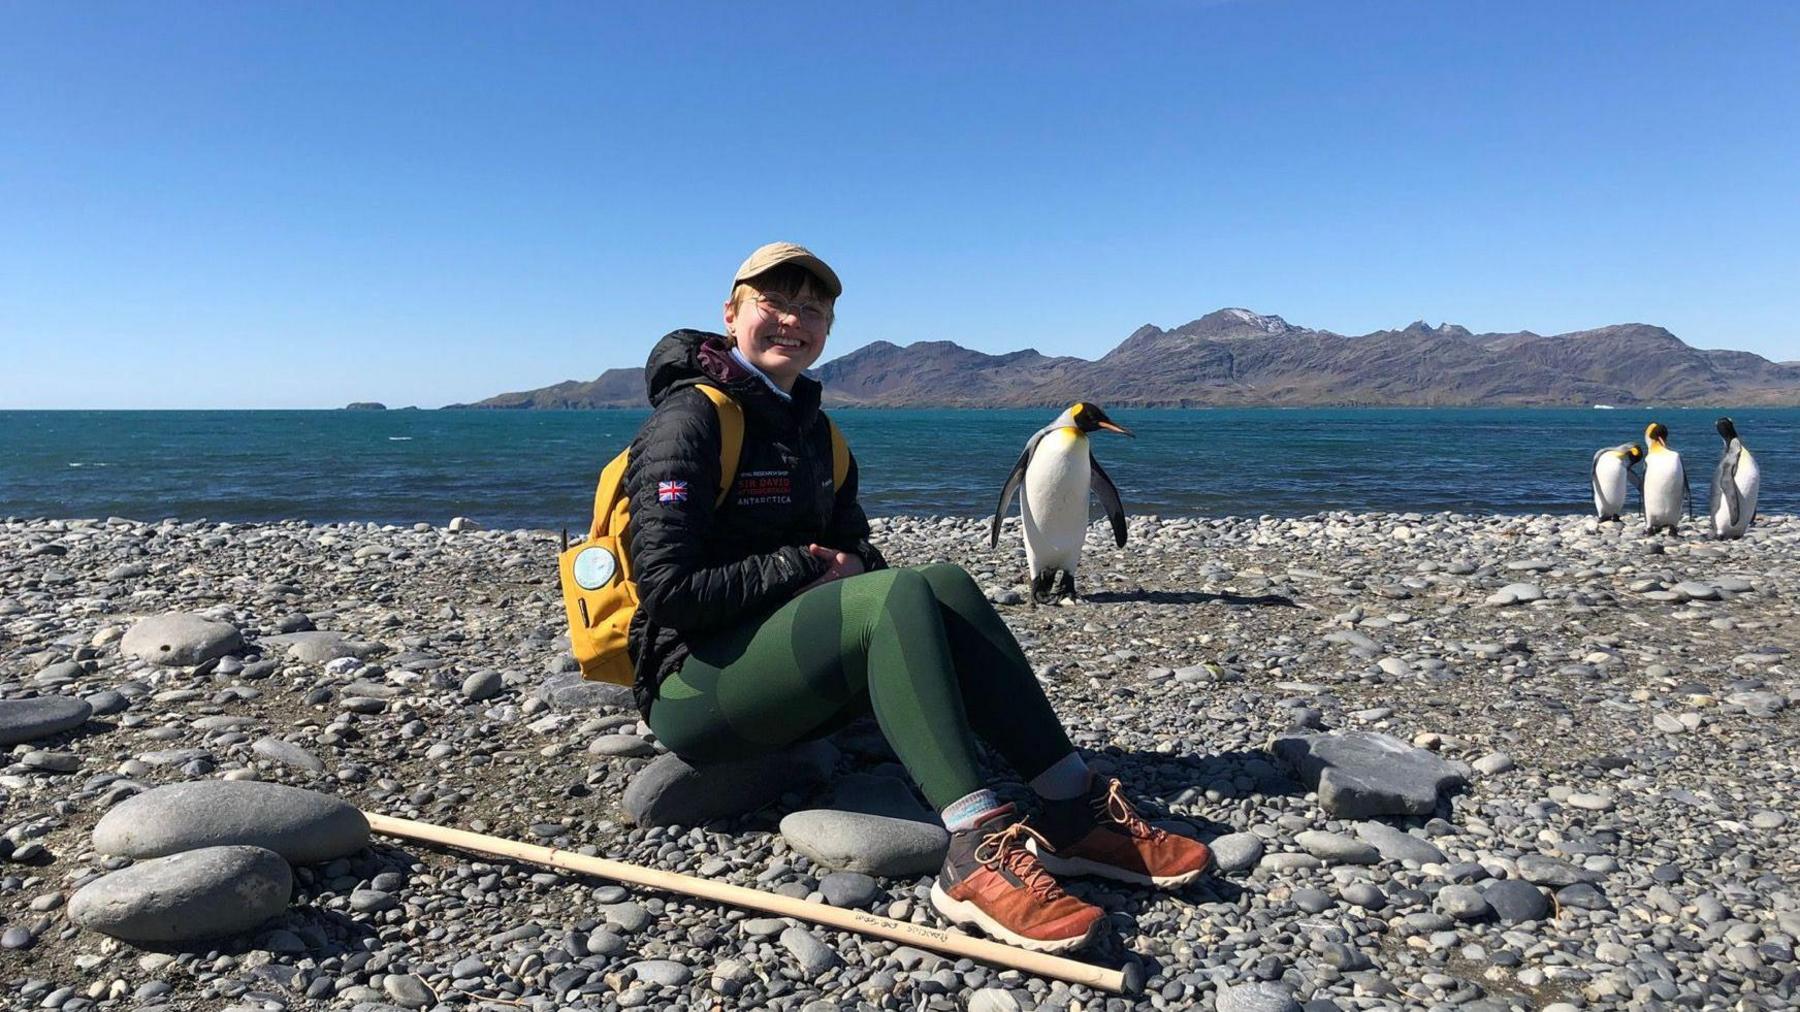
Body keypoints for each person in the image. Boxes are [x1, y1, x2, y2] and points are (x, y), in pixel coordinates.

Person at [622, 242, 1212, 954]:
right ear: (731, 313)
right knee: (893, 593)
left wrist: (831, 568)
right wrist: (801, 566)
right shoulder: (692, 421)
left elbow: (860, 554)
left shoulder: (815, 433)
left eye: (811, 309)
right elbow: (669, 590)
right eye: (772, 303)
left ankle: (1069, 804)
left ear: (827, 330)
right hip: (695, 690)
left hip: (784, 670)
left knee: (941, 581)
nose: (791, 320)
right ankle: (972, 849)